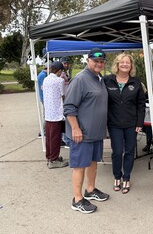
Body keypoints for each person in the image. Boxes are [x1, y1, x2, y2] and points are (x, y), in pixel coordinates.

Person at [63, 48, 109, 214]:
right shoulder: (81, 79)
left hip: (96, 133)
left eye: (102, 61)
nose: (99, 64)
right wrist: (75, 128)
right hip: (81, 134)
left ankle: (90, 190)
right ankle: (77, 199)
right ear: (88, 60)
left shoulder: (99, 79)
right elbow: (69, 107)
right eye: (95, 61)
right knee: (80, 166)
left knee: (93, 163)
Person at [104, 53, 146, 194]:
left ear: (131, 65)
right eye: (122, 62)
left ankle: (126, 178)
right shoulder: (107, 81)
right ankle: (117, 177)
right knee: (117, 152)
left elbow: (141, 105)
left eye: (127, 62)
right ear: (117, 64)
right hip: (114, 123)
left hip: (131, 124)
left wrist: (140, 122)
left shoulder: (136, 82)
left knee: (129, 152)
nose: (124, 65)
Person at [43, 61, 69, 169]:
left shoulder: (46, 79)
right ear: (59, 71)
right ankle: (54, 160)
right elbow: (63, 95)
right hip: (56, 112)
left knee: (49, 136)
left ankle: (50, 156)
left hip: (48, 112)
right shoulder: (59, 80)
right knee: (55, 137)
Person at [37, 63, 48, 138]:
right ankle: (42, 132)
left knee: (46, 114)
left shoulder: (42, 74)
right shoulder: (43, 75)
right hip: (45, 98)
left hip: (44, 97)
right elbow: (43, 87)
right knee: (47, 115)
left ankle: (43, 131)